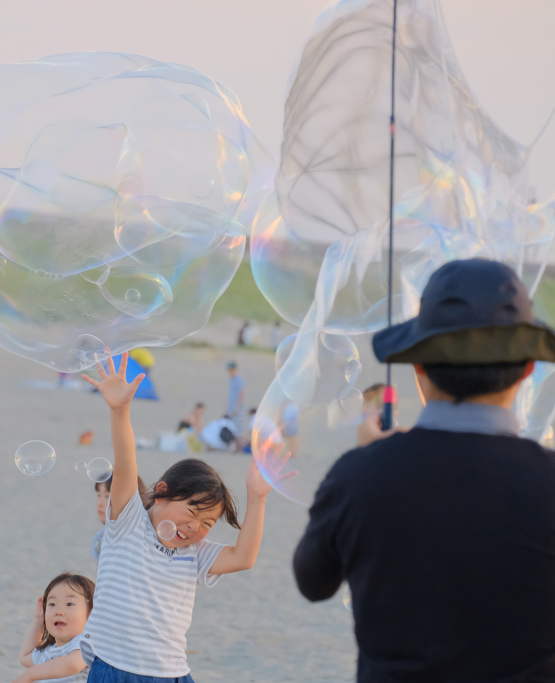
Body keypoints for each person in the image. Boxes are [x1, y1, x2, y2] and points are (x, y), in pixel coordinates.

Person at [293, 259, 555, 681]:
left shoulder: (360, 476)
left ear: (418, 364)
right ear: (528, 368)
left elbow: (312, 581)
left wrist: (366, 465)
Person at [79, 353, 288, 679]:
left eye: (207, 523)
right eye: (192, 512)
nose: (195, 527)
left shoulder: (194, 554)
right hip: (116, 669)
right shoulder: (128, 522)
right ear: (161, 492)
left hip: (172, 673)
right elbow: (125, 461)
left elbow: (243, 557)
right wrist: (120, 410)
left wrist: (257, 498)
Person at [16, 573, 95, 683]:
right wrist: (39, 619)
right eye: (52, 604)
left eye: (69, 604)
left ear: (91, 613)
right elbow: (25, 656)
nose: (58, 611)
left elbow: (73, 664)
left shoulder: (85, 642)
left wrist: (30, 674)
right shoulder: (48, 652)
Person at [91, 474, 147, 561]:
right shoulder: (100, 538)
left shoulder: (142, 538)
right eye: (99, 495)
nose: (99, 503)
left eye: (107, 496)